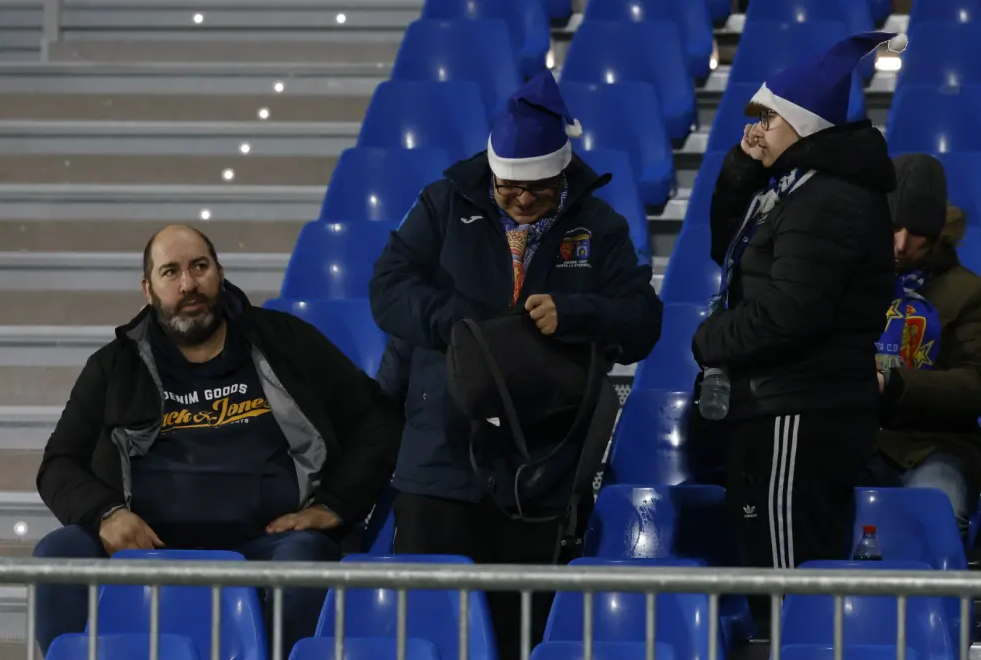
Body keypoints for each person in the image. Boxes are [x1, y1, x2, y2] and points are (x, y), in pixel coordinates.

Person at [369, 69, 662, 656]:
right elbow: (389, 288)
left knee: (518, 635)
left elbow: (642, 321)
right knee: (426, 632)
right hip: (440, 459)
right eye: (509, 189)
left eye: (540, 190)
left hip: (539, 465)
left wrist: (576, 313)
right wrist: (469, 331)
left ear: (564, 174)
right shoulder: (443, 204)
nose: (524, 200)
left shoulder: (599, 228)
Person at [33, 224, 403, 656]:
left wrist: (335, 506)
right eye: (170, 272)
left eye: (199, 267)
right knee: (59, 554)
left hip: (267, 544)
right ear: (148, 289)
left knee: (306, 557)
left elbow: (379, 417)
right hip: (150, 545)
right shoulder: (115, 366)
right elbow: (58, 463)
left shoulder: (284, 341)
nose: (188, 284)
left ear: (220, 273)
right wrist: (106, 514)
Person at [691, 32, 905, 580]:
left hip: (800, 407)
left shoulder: (828, 197)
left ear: (803, 125)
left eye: (768, 119)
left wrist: (709, 337)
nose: (755, 130)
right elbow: (730, 249)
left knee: (790, 577)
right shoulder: (794, 186)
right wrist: (743, 168)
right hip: (780, 402)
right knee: (772, 571)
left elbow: (790, 312)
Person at [865, 154, 981, 541]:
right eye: (894, 226)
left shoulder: (968, 292)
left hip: (937, 446)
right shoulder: (855, 282)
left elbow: (975, 384)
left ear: (936, 232)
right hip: (860, 442)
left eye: (916, 231)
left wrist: (895, 384)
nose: (901, 244)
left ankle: (936, 602)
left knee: (936, 513)